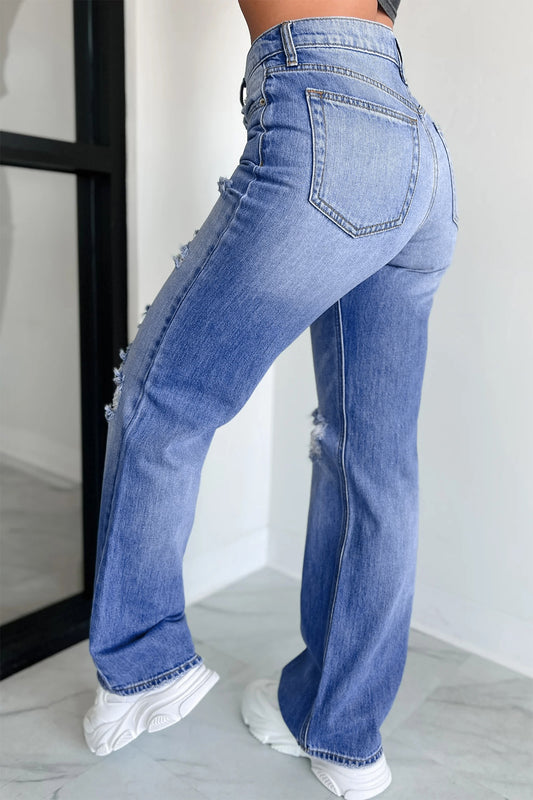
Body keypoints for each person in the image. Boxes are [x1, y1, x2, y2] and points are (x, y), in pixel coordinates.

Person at [82, 2, 459, 798]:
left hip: (324, 105)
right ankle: (341, 733)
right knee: (374, 463)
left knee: (162, 399)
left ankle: (143, 663)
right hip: (417, 143)